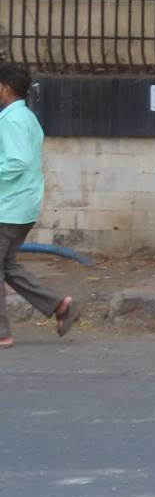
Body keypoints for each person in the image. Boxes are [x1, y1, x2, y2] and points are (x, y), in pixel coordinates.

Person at [0, 64, 78, 349]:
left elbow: (17, 161)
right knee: (7, 266)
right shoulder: (24, 117)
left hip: (7, 206)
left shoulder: (12, 120)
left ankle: (2, 334)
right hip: (19, 204)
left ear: (5, 88)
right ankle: (60, 306)